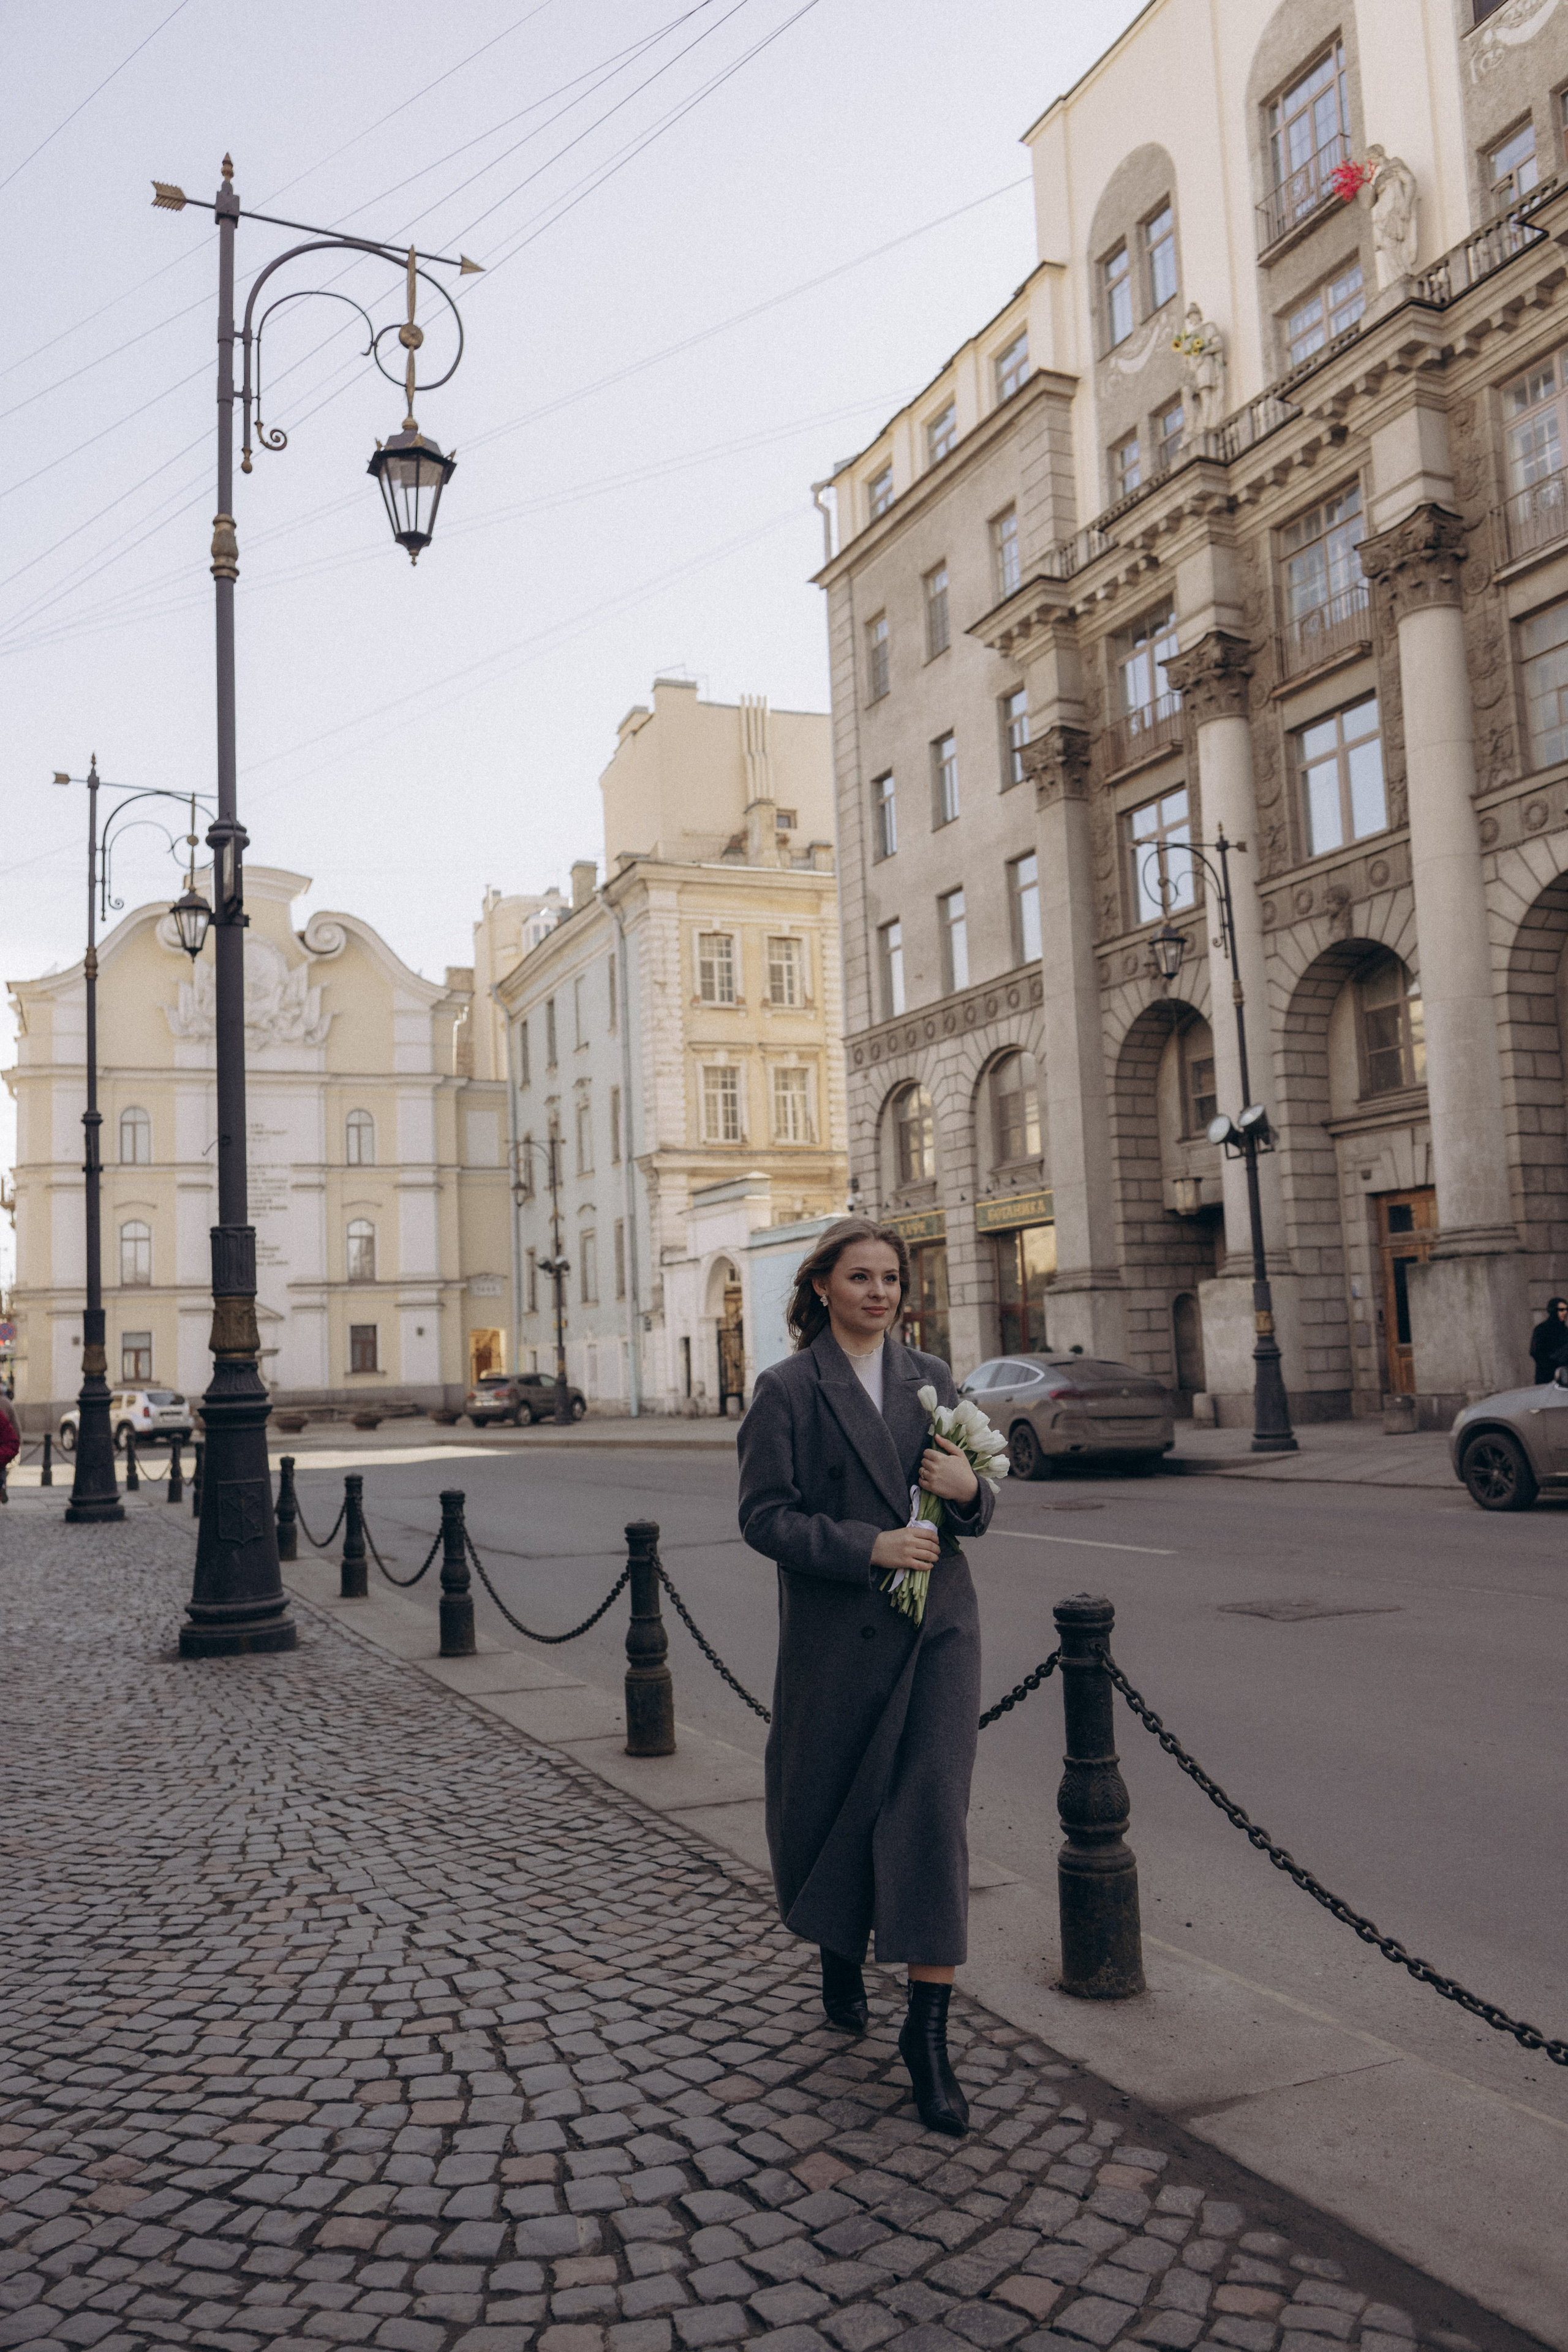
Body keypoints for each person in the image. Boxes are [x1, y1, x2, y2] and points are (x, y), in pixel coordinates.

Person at [736, 1216, 995, 2136]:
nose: (880, 1293)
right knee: (832, 1800)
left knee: (931, 1813)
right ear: (821, 1290)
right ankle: (839, 1949)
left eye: (891, 1278)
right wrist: (866, 1545)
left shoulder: (932, 1380)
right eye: (860, 1278)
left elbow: (973, 1501)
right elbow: (765, 1517)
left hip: (938, 1634)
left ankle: (926, 2038)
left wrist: (972, 1494)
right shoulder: (786, 1391)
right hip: (839, 1632)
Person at [1528, 1296, 1568, 1384]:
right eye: (1561, 1310)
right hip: (1546, 1378)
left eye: (1566, 1309)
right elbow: (1536, 1352)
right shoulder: (1542, 1329)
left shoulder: (1565, 1331)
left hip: (1564, 1379)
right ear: (1554, 1311)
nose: (1565, 1313)